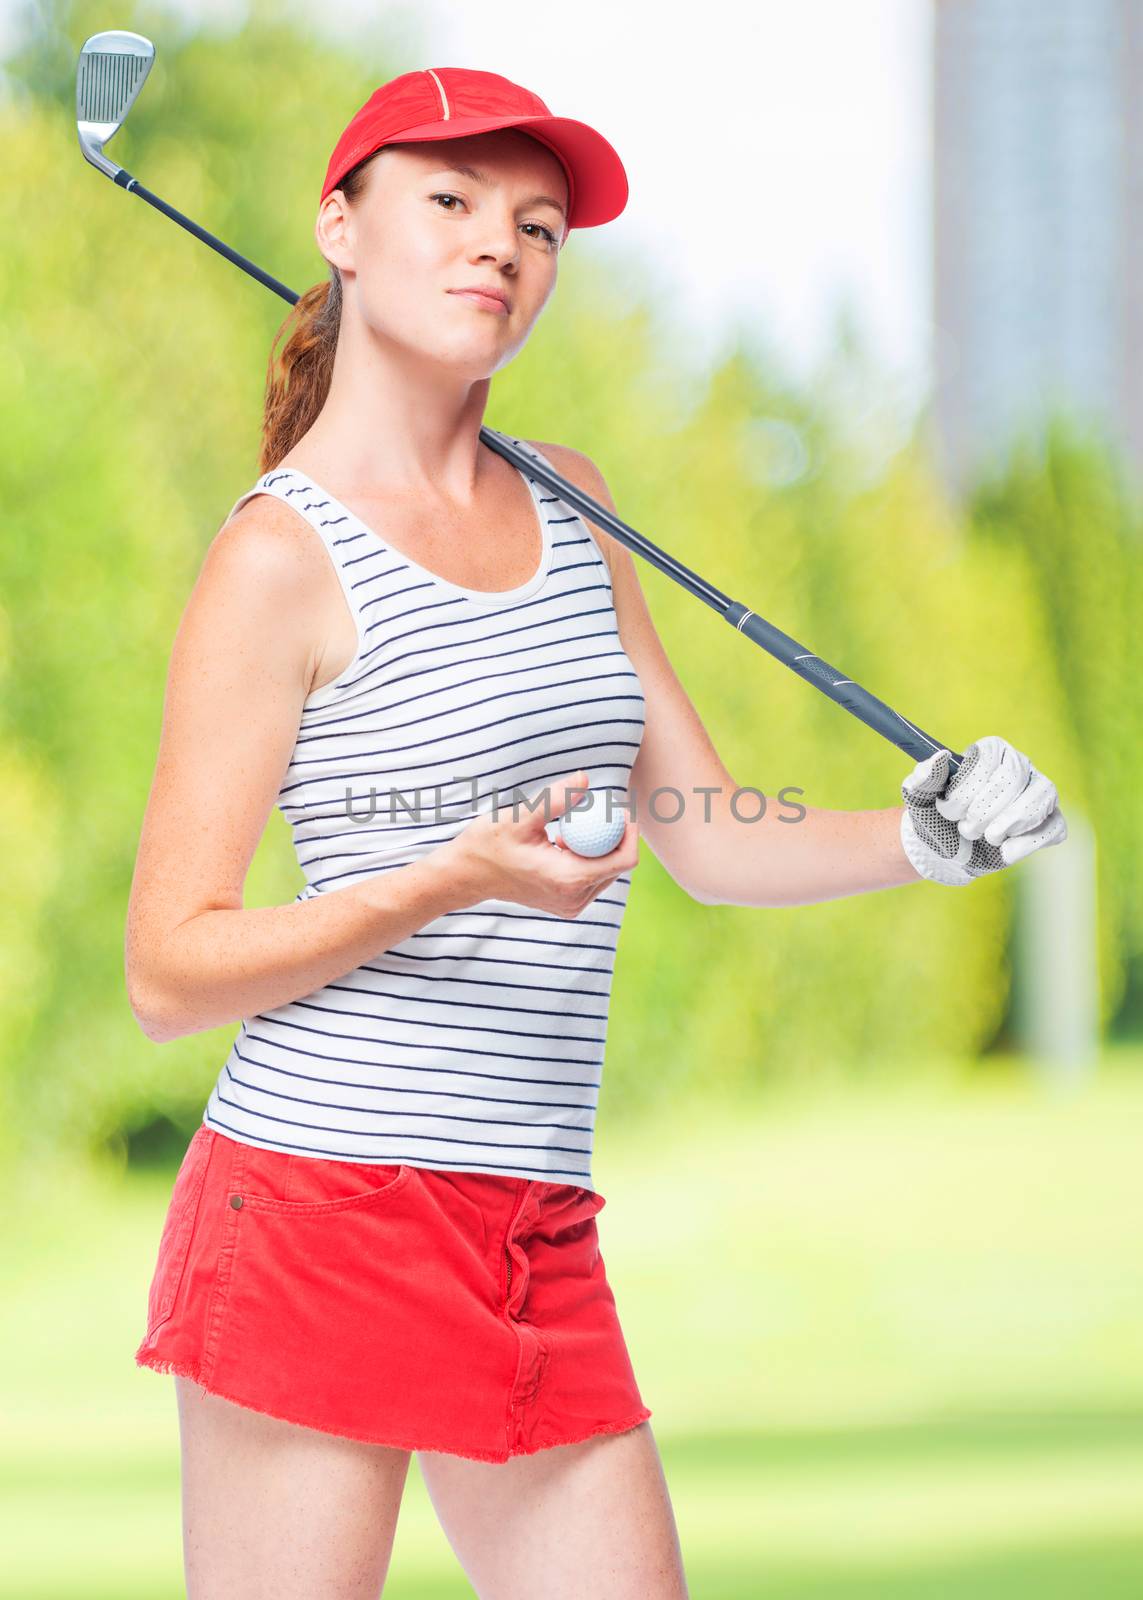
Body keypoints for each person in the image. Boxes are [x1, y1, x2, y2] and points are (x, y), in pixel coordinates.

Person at [125, 64, 1066, 1600]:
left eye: (538, 225)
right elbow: (170, 968)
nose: (501, 244)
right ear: (339, 227)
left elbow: (702, 833)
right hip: (318, 1206)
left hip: (529, 1219)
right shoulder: (276, 562)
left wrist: (926, 843)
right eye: (449, 201)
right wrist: (453, 878)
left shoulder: (578, 506)